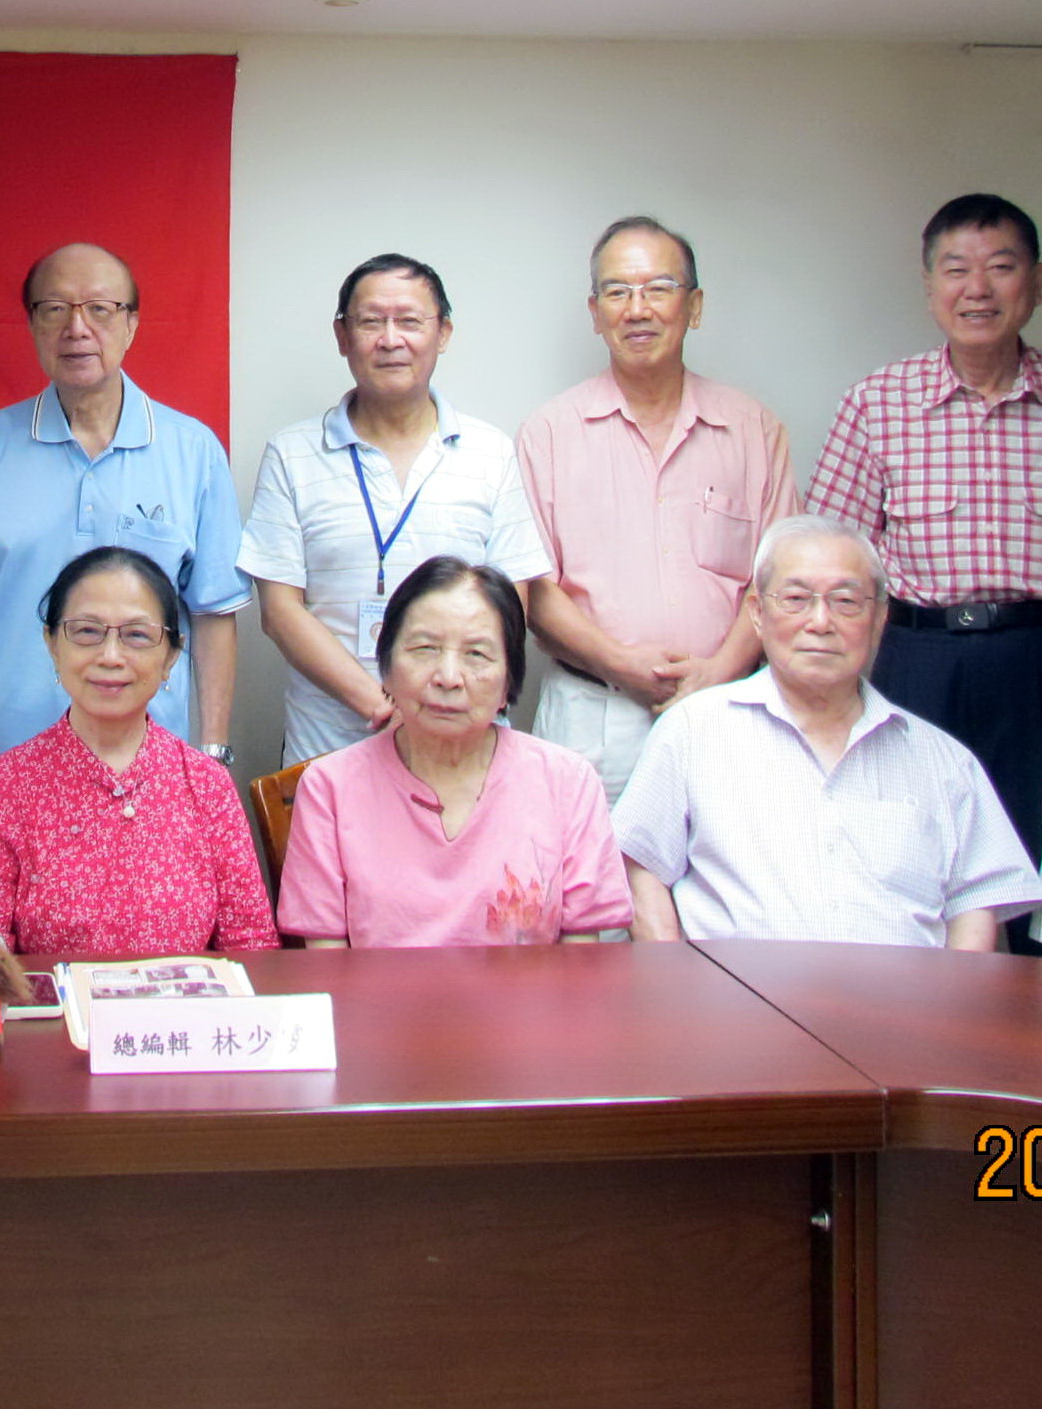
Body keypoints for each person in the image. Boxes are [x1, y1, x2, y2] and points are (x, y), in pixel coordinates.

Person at [808, 193, 1042, 949]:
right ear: (929, 286)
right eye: (956, 269)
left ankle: (1039, 1060)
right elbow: (827, 567)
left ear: (1035, 283)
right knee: (904, 869)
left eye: (1000, 268)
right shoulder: (877, 402)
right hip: (914, 662)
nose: (978, 289)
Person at [0, 242, 248, 830]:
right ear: (32, 324)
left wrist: (212, 752)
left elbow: (216, 612)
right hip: (2, 757)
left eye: (100, 308)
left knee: (148, 921)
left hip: (150, 765)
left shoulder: (193, 451)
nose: (77, 329)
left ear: (131, 324)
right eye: (54, 309)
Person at [614, 515, 1041, 950]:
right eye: (797, 599)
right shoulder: (693, 731)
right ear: (758, 614)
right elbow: (639, 866)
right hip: (732, 1012)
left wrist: (947, 1013)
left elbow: (975, 908)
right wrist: (676, 980)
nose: (820, 622)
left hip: (903, 1013)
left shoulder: (943, 760)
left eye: (846, 601)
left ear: (879, 618)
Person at [517, 217, 794, 799]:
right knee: (592, 885)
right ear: (595, 314)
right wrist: (619, 662)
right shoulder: (549, 433)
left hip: (731, 705)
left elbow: (779, 581)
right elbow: (534, 589)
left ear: (694, 306)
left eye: (658, 288)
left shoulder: (752, 429)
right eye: (617, 292)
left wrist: (717, 675)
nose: (637, 309)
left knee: (729, 885)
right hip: (595, 715)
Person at [241, 254, 550, 763]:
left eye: (409, 321)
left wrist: (437, 707)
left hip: (463, 744)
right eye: (370, 321)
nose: (390, 339)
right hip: (329, 750)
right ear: (342, 336)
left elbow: (511, 600)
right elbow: (280, 612)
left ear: (443, 333)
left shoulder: (490, 452)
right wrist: (385, 707)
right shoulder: (292, 453)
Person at [278, 558, 628, 948]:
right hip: (378, 1009)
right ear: (387, 667)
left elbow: (581, 961)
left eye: (476, 654)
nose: (448, 677)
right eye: (425, 648)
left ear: (509, 679)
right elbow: (328, 966)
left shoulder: (567, 782)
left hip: (527, 1009)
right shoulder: (330, 788)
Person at [0, 548, 277, 959]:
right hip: (51, 1020)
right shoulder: (6, 786)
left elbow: (251, 947)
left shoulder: (206, 785)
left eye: (137, 635)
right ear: (52, 643)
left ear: (172, 654)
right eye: (86, 632)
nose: (110, 656)